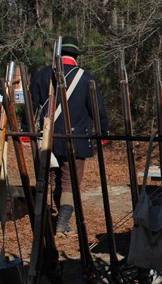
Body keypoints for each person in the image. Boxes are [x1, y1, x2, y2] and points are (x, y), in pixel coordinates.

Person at [28, 36, 110, 236]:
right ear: (75, 55)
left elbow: (30, 107)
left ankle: (48, 220)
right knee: (69, 182)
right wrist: (103, 133)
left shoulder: (42, 75)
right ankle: (62, 222)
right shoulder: (86, 77)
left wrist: (25, 131)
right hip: (77, 139)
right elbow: (97, 110)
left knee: (51, 179)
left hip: (47, 138)